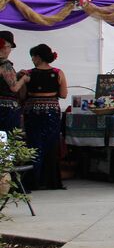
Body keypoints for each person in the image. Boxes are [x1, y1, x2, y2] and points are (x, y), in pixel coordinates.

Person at [21, 43, 67, 190]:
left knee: (33, 144)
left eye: (33, 57)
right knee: (51, 144)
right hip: (52, 112)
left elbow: (22, 95)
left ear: (38, 57)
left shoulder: (28, 74)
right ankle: (51, 180)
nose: (32, 59)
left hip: (33, 112)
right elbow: (64, 94)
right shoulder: (58, 72)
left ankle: (33, 180)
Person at [0, 31, 29, 132]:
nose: (10, 50)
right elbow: (14, 87)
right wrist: (23, 79)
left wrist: (16, 75)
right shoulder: (5, 65)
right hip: (5, 109)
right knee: (6, 138)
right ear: (4, 46)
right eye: (9, 47)